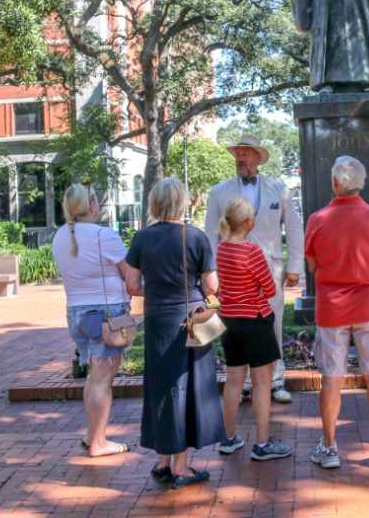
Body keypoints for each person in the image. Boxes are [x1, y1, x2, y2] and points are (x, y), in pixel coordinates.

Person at [126, 178, 225, 488]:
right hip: (193, 319)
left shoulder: (142, 238)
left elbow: (131, 285)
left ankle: (164, 459)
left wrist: (156, 291)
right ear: (183, 203)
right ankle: (181, 467)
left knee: (162, 386)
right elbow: (211, 286)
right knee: (189, 387)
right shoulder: (195, 237)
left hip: (157, 318)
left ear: (155, 203)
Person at [304, 156, 369, 469]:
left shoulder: (317, 220)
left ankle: (330, 447)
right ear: (361, 183)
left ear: (334, 183)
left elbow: (313, 265)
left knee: (331, 377)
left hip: (331, 308)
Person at [204, 133, 304, 404]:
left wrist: (295, 266)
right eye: (237, 154)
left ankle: (276, 380)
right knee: (237, 326)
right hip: (232, 272)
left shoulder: (279, 189)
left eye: (245, 154)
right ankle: (244, 382)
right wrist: (211, 272)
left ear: (258, 158)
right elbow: (211, 234)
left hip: (270, 268)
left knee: (273, 324)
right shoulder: (219, 192)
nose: (240, 158)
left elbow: (294, 228)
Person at [51, 184, 139, 458]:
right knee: (103, 379)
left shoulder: (60, 235)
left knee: (94, 376)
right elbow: (130, 275)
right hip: (107, 315)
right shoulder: (104, 235)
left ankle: (92, 435)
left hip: (77, 312)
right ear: (91, 206)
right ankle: (99, 442)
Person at [215, 197, 292, 462]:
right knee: (261, 383)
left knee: (233, 380)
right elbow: (270, 289)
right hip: (255, 320)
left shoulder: (222, 249)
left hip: (228, 320)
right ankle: (261, 444)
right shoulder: (252, 252)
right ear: (248, 222)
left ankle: (227, 437)